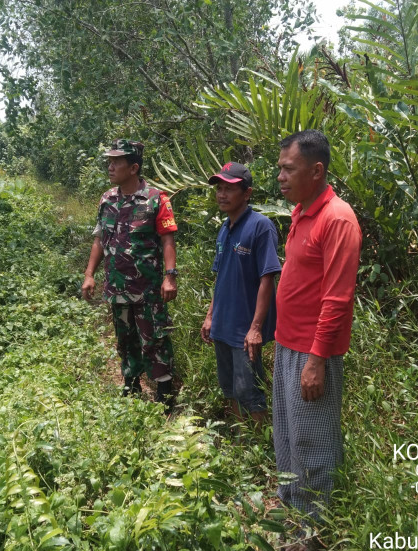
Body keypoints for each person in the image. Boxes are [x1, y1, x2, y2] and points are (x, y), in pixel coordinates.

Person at [272, 130, 362, 536]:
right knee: (289, 435)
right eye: (280, 169)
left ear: (317, 170)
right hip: (288, 344)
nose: (280, 177)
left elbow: (337, 299)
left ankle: (316, 531)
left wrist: (317, 361)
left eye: (288, 169)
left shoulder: (337, 219)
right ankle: (292, 509)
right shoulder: (302, 211)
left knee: (314, 444)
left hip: (312, 353)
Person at [81, 139, 179, 409]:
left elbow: (168, 240)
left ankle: (164, 392)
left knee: (154, 338)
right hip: (116, 286)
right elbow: (100, 240)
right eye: (109, 161)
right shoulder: (107, 199)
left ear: (133, 167)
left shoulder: (156, 199)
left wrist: (170, 277)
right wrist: (90, 274)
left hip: (148, 288)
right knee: (125, 339)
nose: (110, 166)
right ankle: (132, 384)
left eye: (117, 162)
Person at [200, 162, 281, 429]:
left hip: (244, 328)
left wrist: (256, 328)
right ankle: (240, 445)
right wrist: (210, 316)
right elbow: (220, 276)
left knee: (250, 390)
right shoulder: (225, 228)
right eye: (219, 189)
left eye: (229, 189)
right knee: (229, 388)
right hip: (222, 324)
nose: (222, 194)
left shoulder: (261, 226)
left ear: (247, 193)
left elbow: (267, 277)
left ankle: (260, 449)